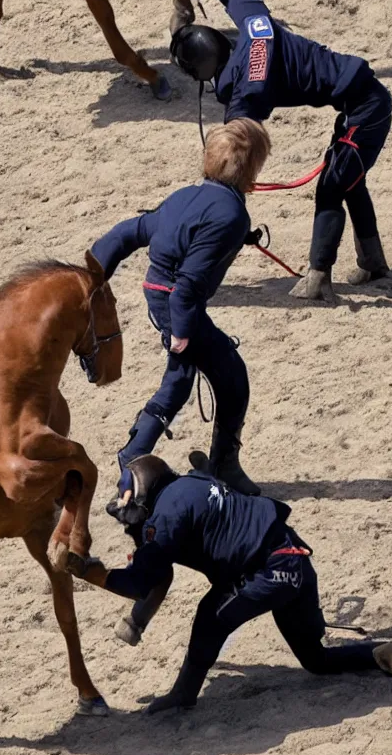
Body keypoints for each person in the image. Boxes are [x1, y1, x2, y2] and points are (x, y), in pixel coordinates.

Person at [78, 454, 392, 713]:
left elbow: (140, 583)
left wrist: (89, 572)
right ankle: (377, 654)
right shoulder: (194, 482)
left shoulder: (163, 519)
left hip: (268, 571)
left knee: (212, 613)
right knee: (315, 660)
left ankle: (183, 695)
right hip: (295, 563)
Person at [170, 0, 392, 300]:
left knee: (332, 188)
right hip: (361, 101)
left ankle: (318, 277)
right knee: (350, 182)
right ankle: (373, 262)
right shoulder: (254, 26)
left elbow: (231, 157)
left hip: (366, 111)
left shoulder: (247, 90)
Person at [91, 118, 271, 494]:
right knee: (227, 377)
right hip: (177, 302)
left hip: (159, 293)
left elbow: (131, 232)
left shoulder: (185, 196)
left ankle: (141, 453)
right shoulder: (231, 214)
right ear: (251, 168)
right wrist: (182, 334)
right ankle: (213, 464)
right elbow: (188, 284)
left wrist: (93, 274)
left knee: (185, 377)